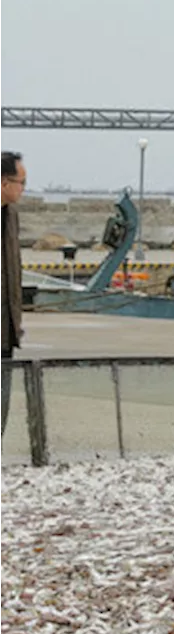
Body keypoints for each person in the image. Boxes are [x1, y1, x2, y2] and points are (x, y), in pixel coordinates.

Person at [0, 151, 26, 441]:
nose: (23, 189)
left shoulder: (12, 216)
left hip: (5, 329)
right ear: (4, 182)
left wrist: (16, 318)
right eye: (21, 182)